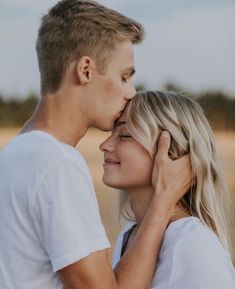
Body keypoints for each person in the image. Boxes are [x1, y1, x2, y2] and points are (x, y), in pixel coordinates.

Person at [0, 1, 192, 289]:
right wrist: (164, 199)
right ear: (86, 70)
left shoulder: (14, 155)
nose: (131, 93)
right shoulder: (57, 164)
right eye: (124, 76)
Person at [100, 90, 235, 289]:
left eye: (125, 134)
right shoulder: (128, 234)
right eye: (110, 134)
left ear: (172, 151)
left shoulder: (193, 243)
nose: (105, 145)